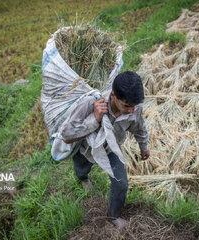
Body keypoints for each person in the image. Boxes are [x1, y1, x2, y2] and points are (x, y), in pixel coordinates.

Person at [62, 71, 150, 229]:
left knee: (121, 184)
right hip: (86, 148)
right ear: (114, 96)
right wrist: (95, 119)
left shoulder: (134, 107)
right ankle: (83, 179)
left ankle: (113, 215)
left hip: (111, 148)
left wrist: (144, 147)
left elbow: (139, 127)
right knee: (82, 168)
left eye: (134, 106)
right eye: (127, 106)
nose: (132, 110)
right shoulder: (91, 103)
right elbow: (67, 135)